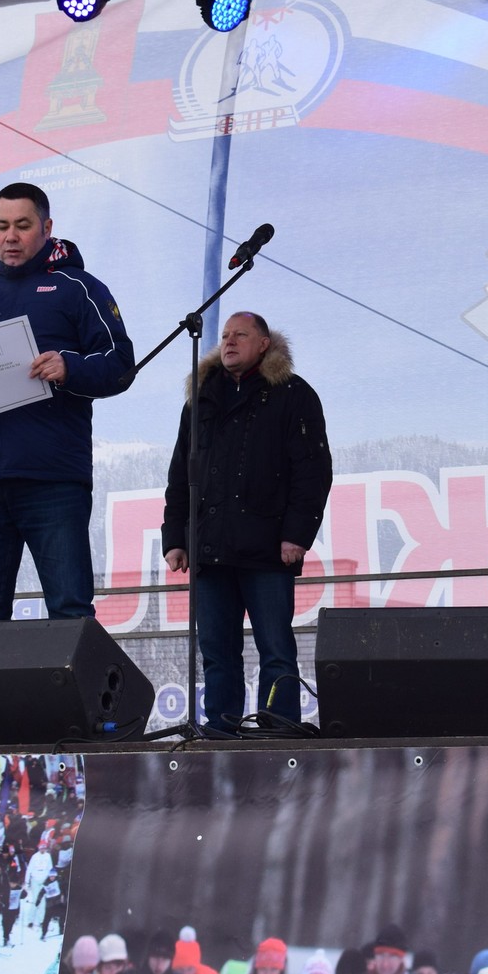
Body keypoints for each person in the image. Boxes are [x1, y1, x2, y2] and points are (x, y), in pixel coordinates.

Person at [0, 181, 134, 621]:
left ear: (47, 228)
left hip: (53, 478)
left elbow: (120, 364)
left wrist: (69, 367)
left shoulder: (77, 287)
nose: (10, 236)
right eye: (1, 226)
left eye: (23, 225)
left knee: (69, 610)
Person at [162, 312, 332, 732]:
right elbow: (180, 473)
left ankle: (279, 728)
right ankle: (221, 731)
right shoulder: (201, 399)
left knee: (275, 648)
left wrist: (297, 535)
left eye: (241, 334)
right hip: (210, 548)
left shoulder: (293, 394)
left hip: (269, 547)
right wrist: (176, 537)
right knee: (216, 651)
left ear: (264, 343)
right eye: (224, 336)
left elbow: (312, 471)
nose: (229, 342)